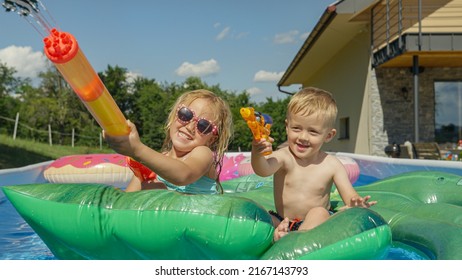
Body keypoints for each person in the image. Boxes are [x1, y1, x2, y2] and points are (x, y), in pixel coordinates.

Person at [250, 87, 377, 241]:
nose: (303, 137)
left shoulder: (332, 165)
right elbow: (262, 170)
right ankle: (282, 234)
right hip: (283, 219)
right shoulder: (284, 157)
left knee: (319, 212)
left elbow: (349, 196)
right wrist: (257, 152)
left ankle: (293, 240)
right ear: (287, 126)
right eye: (296, 128)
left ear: (328, 135)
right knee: (261, 218)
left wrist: (355, 203)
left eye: (313, 132)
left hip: (315, 223)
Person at [104, 89, 233, 194]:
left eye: (203, 126)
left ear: (211, 139)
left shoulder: (204, 153)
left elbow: (184, 175)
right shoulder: (154, 163)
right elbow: (126, 204)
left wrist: (137, 149)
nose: (189, 127)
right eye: (186, 115)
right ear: (173, 116)